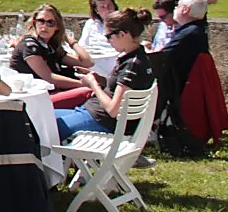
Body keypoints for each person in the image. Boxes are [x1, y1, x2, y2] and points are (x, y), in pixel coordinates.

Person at [55, 8, 156, 141]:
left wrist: (93, 85)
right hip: (93, 113)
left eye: (109, 36)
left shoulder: (132, 65)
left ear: (122, 34)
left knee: (43, 126)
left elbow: (113, 110)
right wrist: (100, 79)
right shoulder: (136, 57)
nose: (108, 41)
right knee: (41, 117)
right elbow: (117, 89)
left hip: (102, 121)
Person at [8, 3, 94, 92]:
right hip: (35, 96)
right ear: (34, 23)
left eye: (50, 22)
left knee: (98, 81)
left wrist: (70, 41)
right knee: (88, 92)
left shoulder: (50, 46)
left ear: (57, 26)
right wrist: (87, 85)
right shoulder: (29, 46)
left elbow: (87, 62)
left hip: (51, 92)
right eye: (41, 21)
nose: (44, 26)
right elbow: (50, 78)